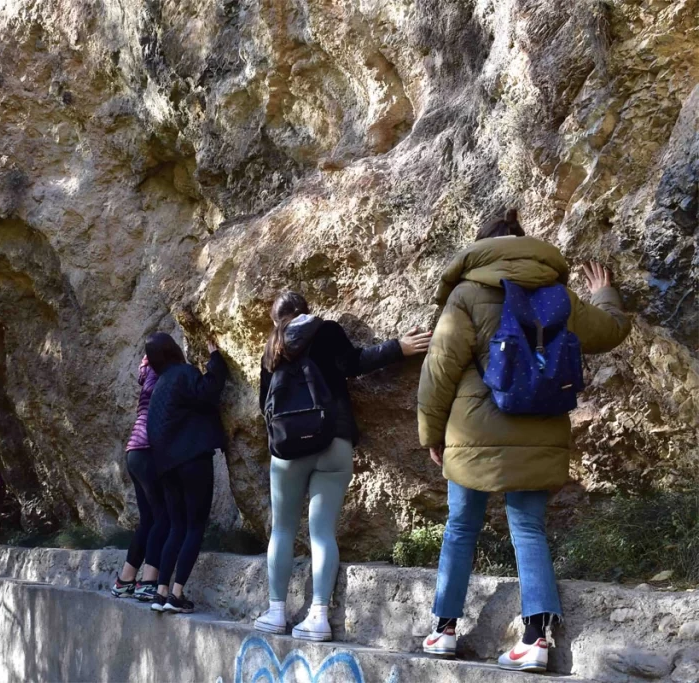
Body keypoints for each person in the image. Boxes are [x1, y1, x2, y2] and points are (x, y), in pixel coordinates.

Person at [417, 209, 630, 672]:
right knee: (528, 529)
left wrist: (431, 433)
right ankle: (536, 638)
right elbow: (611, 330)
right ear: (523, 242)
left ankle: (444, 631)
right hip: (541, 424)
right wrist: (606, 294)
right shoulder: (558, 294)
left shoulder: (467, 293)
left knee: (460, 528)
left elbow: (440, 369)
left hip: (473, 429)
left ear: (482, 246)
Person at [254, 292, 432, 641]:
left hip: (287, 450)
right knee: (322, 533)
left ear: (277, 319)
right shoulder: (327, 330)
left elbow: (265, 404)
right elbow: (354, 363)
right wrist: (399, 347)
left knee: (283, 530)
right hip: (333, 440)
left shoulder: (271, 347)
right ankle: (319, 616)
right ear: (306, 310)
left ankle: (276, 612)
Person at [145, 332, 228, 614]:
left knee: (176, 526)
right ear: (173, 350)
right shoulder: (182, 374)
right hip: (192, 460)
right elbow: (209, 390)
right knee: (195, 526)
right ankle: (177, 595)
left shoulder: (158, 389)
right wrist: (215, 358)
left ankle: (161, 591)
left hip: (165, 467)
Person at [111, 355, 169, 602]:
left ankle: (124, 580)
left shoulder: (146, 377)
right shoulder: (161, 378)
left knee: (148, 519)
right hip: (147, 451)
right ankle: (148, 582)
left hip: (133, 451)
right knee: (163, 518)